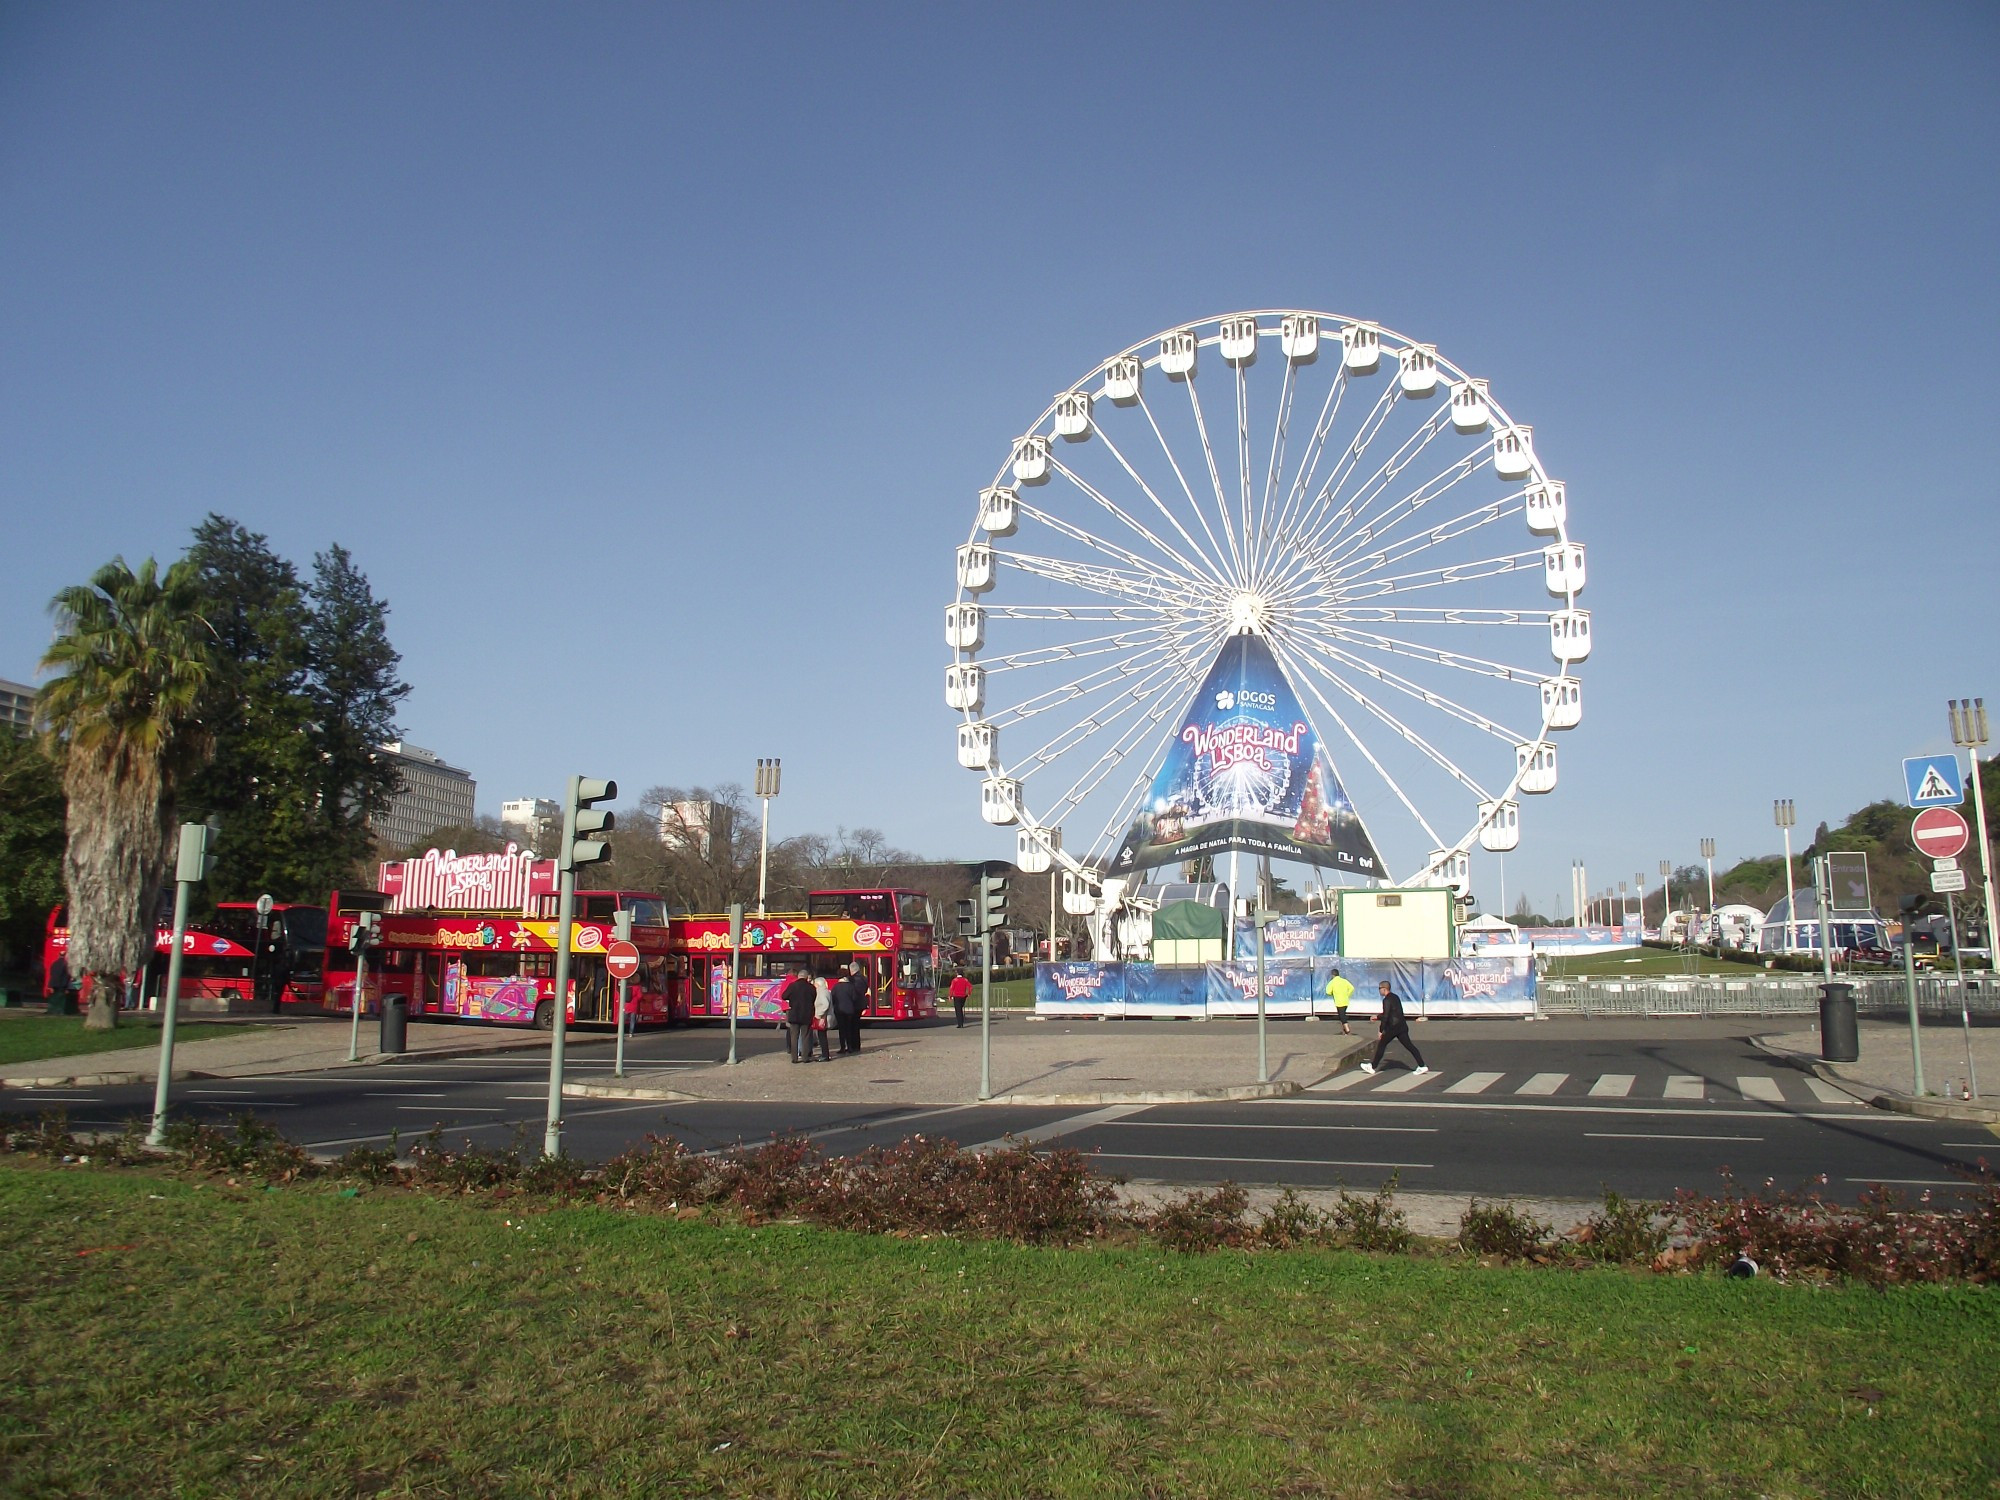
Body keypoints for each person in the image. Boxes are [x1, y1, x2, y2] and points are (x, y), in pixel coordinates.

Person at [1361, 978, 1428, 1075]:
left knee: (1382, 1045)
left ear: (1384, 989)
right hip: (1402, 1026)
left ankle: (1372, 1066)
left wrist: (1381, 1030)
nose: (1379, 990)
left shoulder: (1386, 1000)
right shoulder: (1395, 997)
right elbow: (1392, 1012)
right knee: (1409, 1046)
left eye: (1379, 988)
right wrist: (1377, 1016)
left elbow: (1386, 1016)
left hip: (1392, 1028)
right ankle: (1422, 1065)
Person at [781, 971, 817, 1063]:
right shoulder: (811, 987)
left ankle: (794, 1058)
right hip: (807, 1014)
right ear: (806, 977)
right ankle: (805, 1057)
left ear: (798, 976)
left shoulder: (792, 986)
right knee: (805, 1036)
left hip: (794, 1014)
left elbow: (784, 996)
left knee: (794, 1036)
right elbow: (814, 998)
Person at [831, 963, 865, 1054]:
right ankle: (850, 1047)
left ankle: (843, 1047)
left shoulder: (835, 987)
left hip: (839, 1010)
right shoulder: (851, 986)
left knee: (842, 1029)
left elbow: (832, 998)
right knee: (849, 1028)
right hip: (849, 1010)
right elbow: (854, 998)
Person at [1322, 966, 1355, 1035]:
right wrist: (1347, 995)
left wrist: (1333, 994)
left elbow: (1328, 992)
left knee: (1342, 1017)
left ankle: (1347, 1030)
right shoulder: (1344, 981)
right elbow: (1352, 988)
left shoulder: (1332, 982)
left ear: (1332, 975)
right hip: (1345, 1001)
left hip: (1339, 1002)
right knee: (1342, 1015)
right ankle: (1344, 1031)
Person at [810, 970, 834, 1061]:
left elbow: (825, 1004)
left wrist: (819, 1015)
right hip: (825, 1018)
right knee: (822, 1036)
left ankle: (825, 1055)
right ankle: (825, 1054)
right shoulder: (826, 991)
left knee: (822, 1037)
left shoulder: (822, 992)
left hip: (822, 1019)